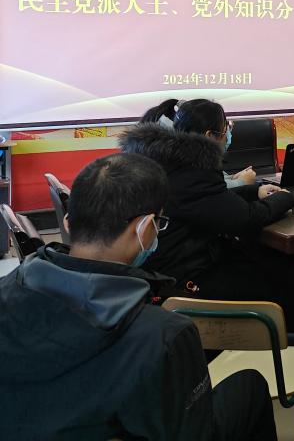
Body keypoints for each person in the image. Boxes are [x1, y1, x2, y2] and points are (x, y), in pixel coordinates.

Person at [0, 153, 278, 441]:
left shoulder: (8, 290)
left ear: (69, 222)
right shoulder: (164, 335)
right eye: (160, 223)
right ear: (145, 229)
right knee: (250, 385)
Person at [120, 99, 294, 305]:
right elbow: (246, 219)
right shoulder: (193, 167)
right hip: (180, 278)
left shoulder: (165, 159)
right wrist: (285, 197)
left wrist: (254, 191)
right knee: (279, 279)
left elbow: (210, 200)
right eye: (225, 130)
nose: (228, 136)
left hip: (156, 269)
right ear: (209, 136)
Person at [140, 99, 256, 188]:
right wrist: (241, 182)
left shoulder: (175, 155)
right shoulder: (184, 163)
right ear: (209, 135)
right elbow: (208, 189)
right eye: (226, 127)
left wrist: (233, 179)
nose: (227, 133)